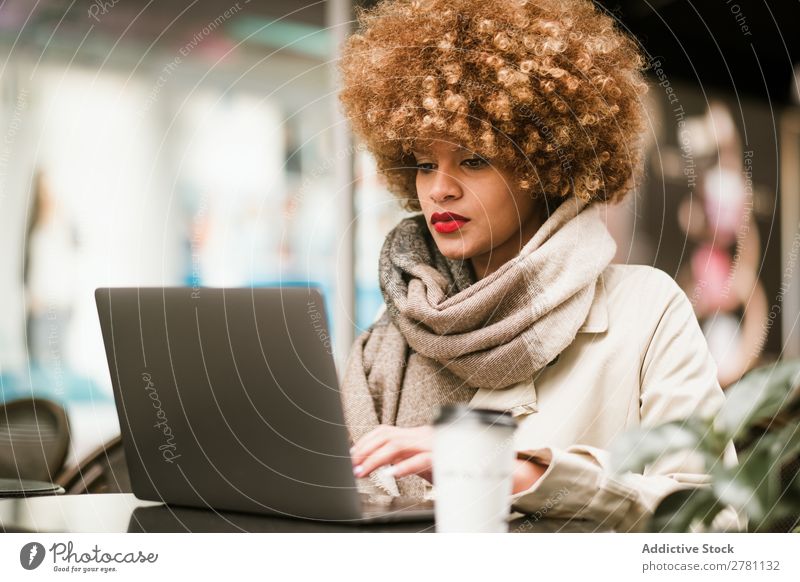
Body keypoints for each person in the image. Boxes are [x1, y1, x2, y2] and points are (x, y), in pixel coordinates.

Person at [336, 0, 739, 531]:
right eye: (424, 163)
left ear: (545, 164)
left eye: (473, 159)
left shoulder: (647, 311)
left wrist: (513, 473)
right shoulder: (390, 339)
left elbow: (715, 519)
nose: (439, 189)